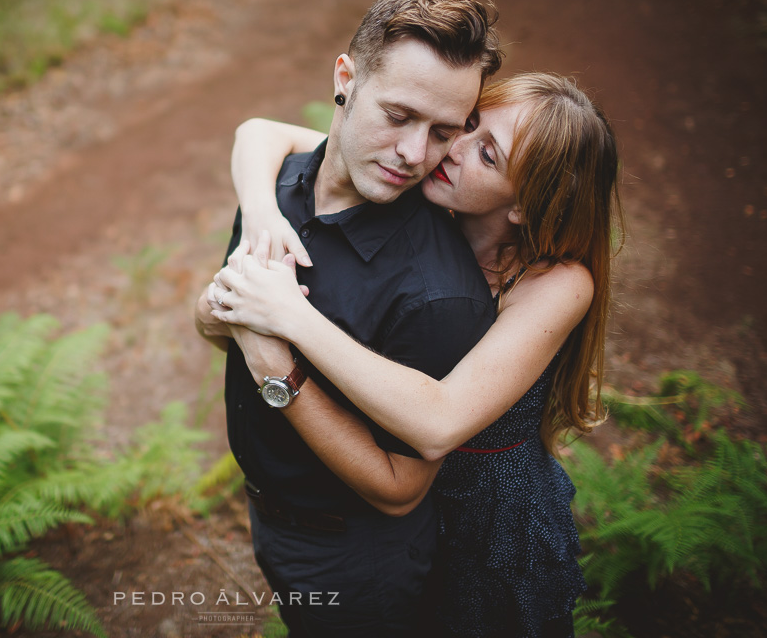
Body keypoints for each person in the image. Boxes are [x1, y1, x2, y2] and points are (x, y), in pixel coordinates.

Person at [206, 72, 622, 637]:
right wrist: (260, 212)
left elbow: (439, 420)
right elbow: (259, 133)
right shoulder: (422, 191)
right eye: (468, 126)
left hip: (485, 510)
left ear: (524, 206)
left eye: (488, 155)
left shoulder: (558, 283)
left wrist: (288, 319)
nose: (450, 151)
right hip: (388, 504)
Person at [193, 0, 502, 637]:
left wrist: (276, 364)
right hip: (270, 519)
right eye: (399, 115)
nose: (415, 155)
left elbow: (400, 488)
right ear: (346, 78)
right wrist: (221, 315)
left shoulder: (437, 294)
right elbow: (215, 328)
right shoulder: (277, 189)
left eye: (443, 132)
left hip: (355, 559)